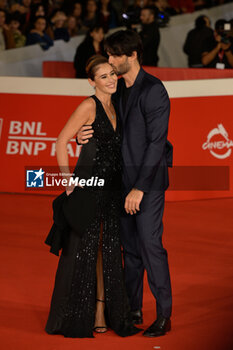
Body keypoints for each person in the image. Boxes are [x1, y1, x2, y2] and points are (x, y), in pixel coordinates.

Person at [77, 29, 173, 338]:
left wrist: (140, 188)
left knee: (149, 246)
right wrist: (83, 135)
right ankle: (132, 309)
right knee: (129, 250)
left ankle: (163, 315)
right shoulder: (115, 89)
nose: (110, 60)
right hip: (119, 182)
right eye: (108, 54)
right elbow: (103, 124)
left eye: (114, 55)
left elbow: (157, 144)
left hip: (147, 183)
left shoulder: (154, 90)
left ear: (131, 56)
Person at [45, 54, 141, 338]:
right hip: (90, 187)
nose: (111, 79)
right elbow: (61, 140)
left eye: (112, 73)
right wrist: (67, 180)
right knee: (84, 251)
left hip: (114, 190)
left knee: (107, 251)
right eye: (104, 76)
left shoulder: (118, 102)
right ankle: (87, 312)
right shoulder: (89, 105)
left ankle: (102, 309)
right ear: (91, 82)